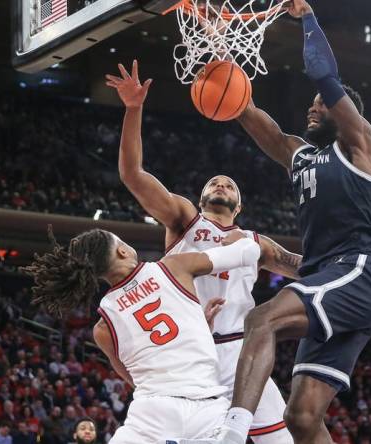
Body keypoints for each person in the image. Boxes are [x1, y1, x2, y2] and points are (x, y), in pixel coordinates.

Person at [184, 0, 371, 441]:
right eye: (312, 105)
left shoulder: (359, 148)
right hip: (327, 276)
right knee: (301, 419)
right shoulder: (300, 154)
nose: (312, 109)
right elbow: (248, 113)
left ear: (344, 114)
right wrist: (219, 46)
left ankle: (233, 432)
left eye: (321, 106)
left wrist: (308, 18)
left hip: (356, 274)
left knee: (261, 319)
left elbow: (323, 73)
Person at [105, 60, 302, 442]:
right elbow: (133, 175)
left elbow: (306, 270)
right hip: (190, 360)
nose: (222, 186)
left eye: (229, 186)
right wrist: (133, 109)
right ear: (201, 197)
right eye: (215, 183)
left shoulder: (256, 244)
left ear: (240, 206)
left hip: (242, 355)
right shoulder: (183, 219)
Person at [22, 227, 267, 443]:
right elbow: (249, 253)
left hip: (153, 414)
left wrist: (198, 324)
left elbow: (135, 375)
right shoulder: (174, 266)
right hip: (209, 408)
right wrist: (240, 238)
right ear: (122, 252)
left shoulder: (102, 329)